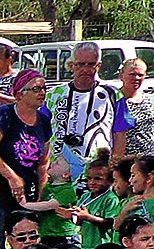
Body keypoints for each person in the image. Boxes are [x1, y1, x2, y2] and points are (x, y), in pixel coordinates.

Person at [0, 68, 53, 249]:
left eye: (44, 88)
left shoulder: (43, 121)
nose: (41, 93)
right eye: (35, 89)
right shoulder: (5, 114)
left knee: (26, 239)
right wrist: (11, 177)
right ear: (19, 94)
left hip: (27, 189)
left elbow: (43, 162)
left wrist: (41, 195)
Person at [52, 41, 129, 180]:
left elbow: (120, 133)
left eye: (91, 64)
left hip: (98, 168)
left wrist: (114, 164)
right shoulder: (54, 95)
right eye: (81, 64)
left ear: (98, 66)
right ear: (71, 65)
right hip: (60, 168)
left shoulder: (113, 94)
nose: (85, 69)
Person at [118, 57, 154, 158]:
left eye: (140, 75)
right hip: (127, 159)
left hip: (149, 157)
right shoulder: (116, 100)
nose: (136, 78)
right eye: (132, 74)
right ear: (121, 75)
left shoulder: (146, 98)